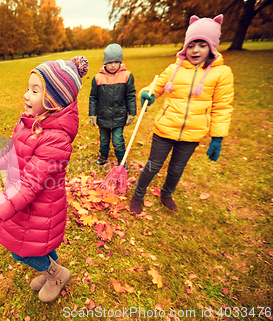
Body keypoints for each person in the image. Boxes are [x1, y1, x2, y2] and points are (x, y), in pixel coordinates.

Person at [0, 56, 89, 302]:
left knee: (21, 251)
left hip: (37, 208)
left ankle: (56, 274)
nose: (26, 95)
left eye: (35, 90)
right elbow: (9, 158)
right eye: (28, 88)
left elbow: (29, 187)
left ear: (53, 102)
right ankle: (51, 270)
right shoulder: (30, 124)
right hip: (21, 204)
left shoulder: (55, 139)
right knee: (39, 246)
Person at [129, 14, 234, 214]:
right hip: (165, 128)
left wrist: (217, 137)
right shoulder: (174, 69)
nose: (196, 50)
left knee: (177, 168)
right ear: (186, 46)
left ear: (212, 47)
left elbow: (222, 106)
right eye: (192, 44)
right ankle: (138, 195)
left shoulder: (222, 74)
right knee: (153, 165)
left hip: (192, 133)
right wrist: (147, 94)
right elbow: (156, 86)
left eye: (202, 45)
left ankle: (167, 193)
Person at [89, 43, 137, 167]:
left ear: (120, 61)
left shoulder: (127, 76)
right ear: (105, 62)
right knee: (104, 139)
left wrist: (132, 112)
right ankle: (103, 155)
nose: (113, 65)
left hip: (119, 115)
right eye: (110, 62)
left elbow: (130, 95)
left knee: (118, 140)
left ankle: (121, 159)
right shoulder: (98, 78)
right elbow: (93, 97)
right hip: (103, 115)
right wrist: (92, 114)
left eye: (116, 61)